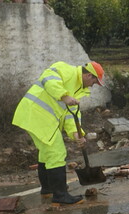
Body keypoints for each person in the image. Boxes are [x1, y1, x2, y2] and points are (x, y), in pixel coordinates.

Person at [12, 61, 105, 205]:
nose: (93, 85)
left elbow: (71, 113)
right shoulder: (66, 69)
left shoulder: (79, 89)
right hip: (36, 115)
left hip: (40, 118)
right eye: (94, 81)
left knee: (46, 153)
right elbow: (47, 79)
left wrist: (76, 133)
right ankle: (60, 196)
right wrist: (64, 96)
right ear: (88, 75)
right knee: (56, 153)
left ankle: (48, 189)